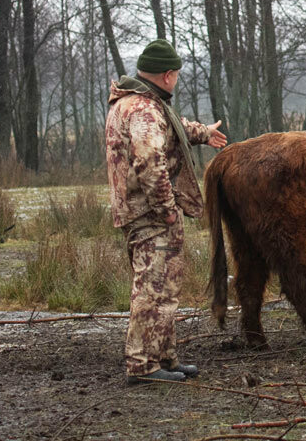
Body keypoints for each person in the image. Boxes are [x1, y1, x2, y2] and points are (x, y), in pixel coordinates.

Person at [105, 39, 228, 384]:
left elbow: (172, 126)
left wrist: (203, 133)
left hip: (142, 213)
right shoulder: (144, 110)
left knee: (164, 288)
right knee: (152, 289)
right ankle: (143, 366)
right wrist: (168, 209)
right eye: (176, 73)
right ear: (169, 74)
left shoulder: (137, 103)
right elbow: (149, 162)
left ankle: (165, 358)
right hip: (151, 216)